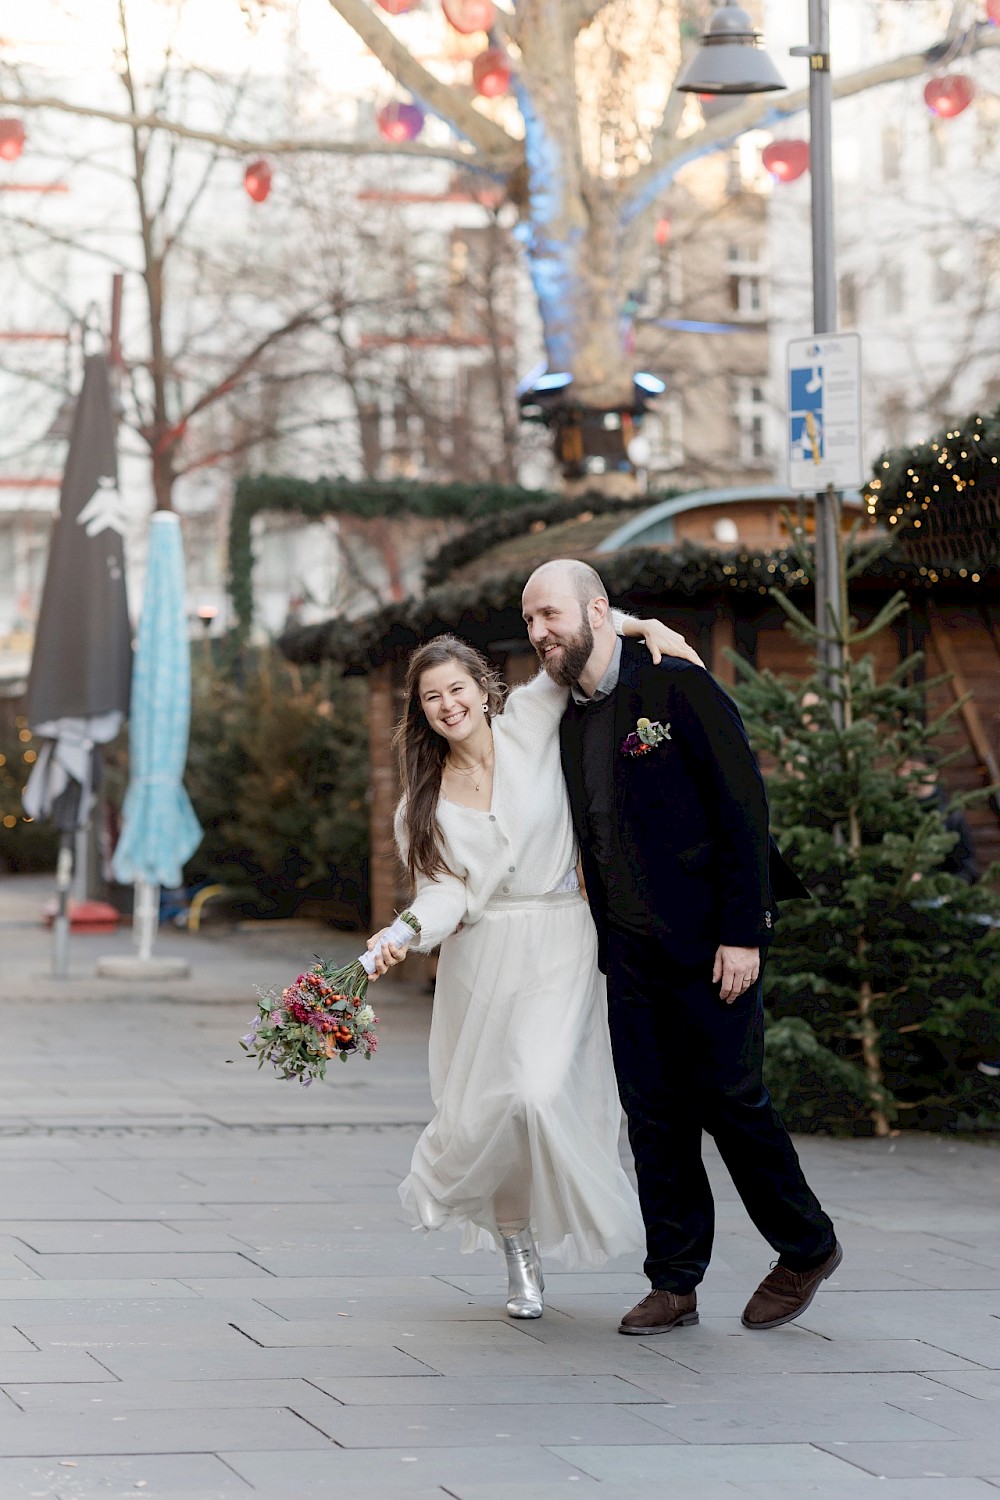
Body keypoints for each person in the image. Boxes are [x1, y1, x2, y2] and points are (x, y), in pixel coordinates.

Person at [520, 558, 841, 1336]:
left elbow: (742, 807)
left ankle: (806, 1247)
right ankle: (674, 1282)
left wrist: (744, 933)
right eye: (530, 620)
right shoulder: (570, 718)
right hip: (628, 953)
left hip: (711, 945)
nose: (538, 633)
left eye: (550, 615)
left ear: (597, 610)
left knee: (733, 1103)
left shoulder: (676, 683)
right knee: (654, 1117)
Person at [367, 614, 699, 1319]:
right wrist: (403, 932)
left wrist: (642, 626)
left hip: (563, 939)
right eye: (432, 698)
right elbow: (444, 892)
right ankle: (517, 1248)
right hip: (481, 960)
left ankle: (561, 1207)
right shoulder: (420, 805)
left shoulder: (528, 718)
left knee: (535, 1092)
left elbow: (572, 645)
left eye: (457, 689)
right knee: (493, 1111)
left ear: (483, 690)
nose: (448, 705)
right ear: (421, 712)